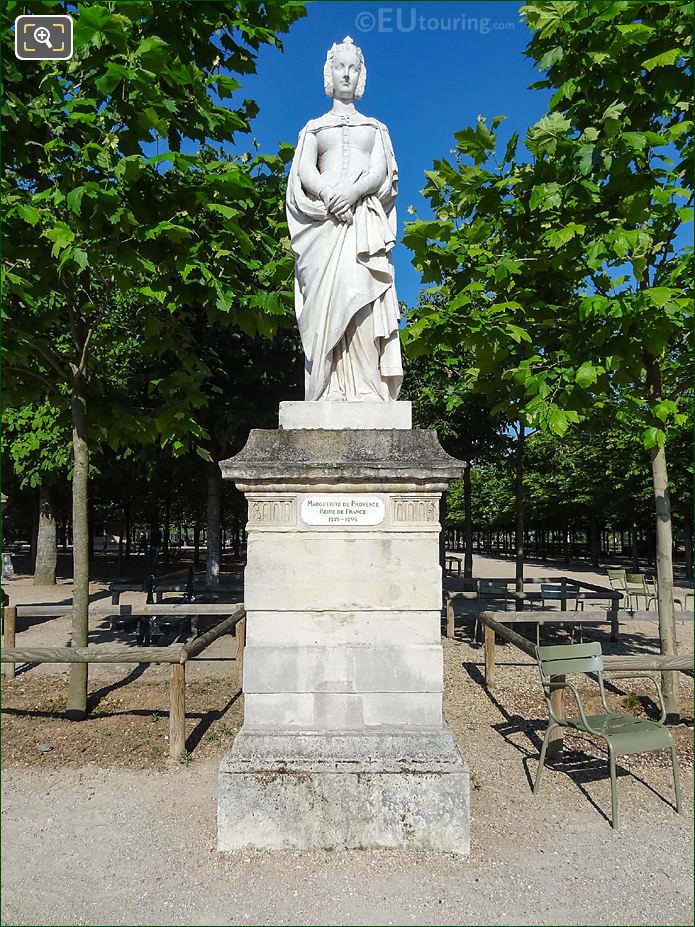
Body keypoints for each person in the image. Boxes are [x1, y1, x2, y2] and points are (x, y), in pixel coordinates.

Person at [286, 36, 403, 402]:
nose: (347, 74)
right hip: (324, 227)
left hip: (361, 225)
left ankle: (367, 388)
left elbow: (380, 171)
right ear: (329, 73)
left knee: (364, 298)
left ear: (361, 75)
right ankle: (329, 388)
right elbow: (304, 170)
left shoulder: (376, 128)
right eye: (340, 67)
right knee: (326, 302)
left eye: (353, 68)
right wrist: (327, 194)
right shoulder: (314, 128)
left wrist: (351, 194)